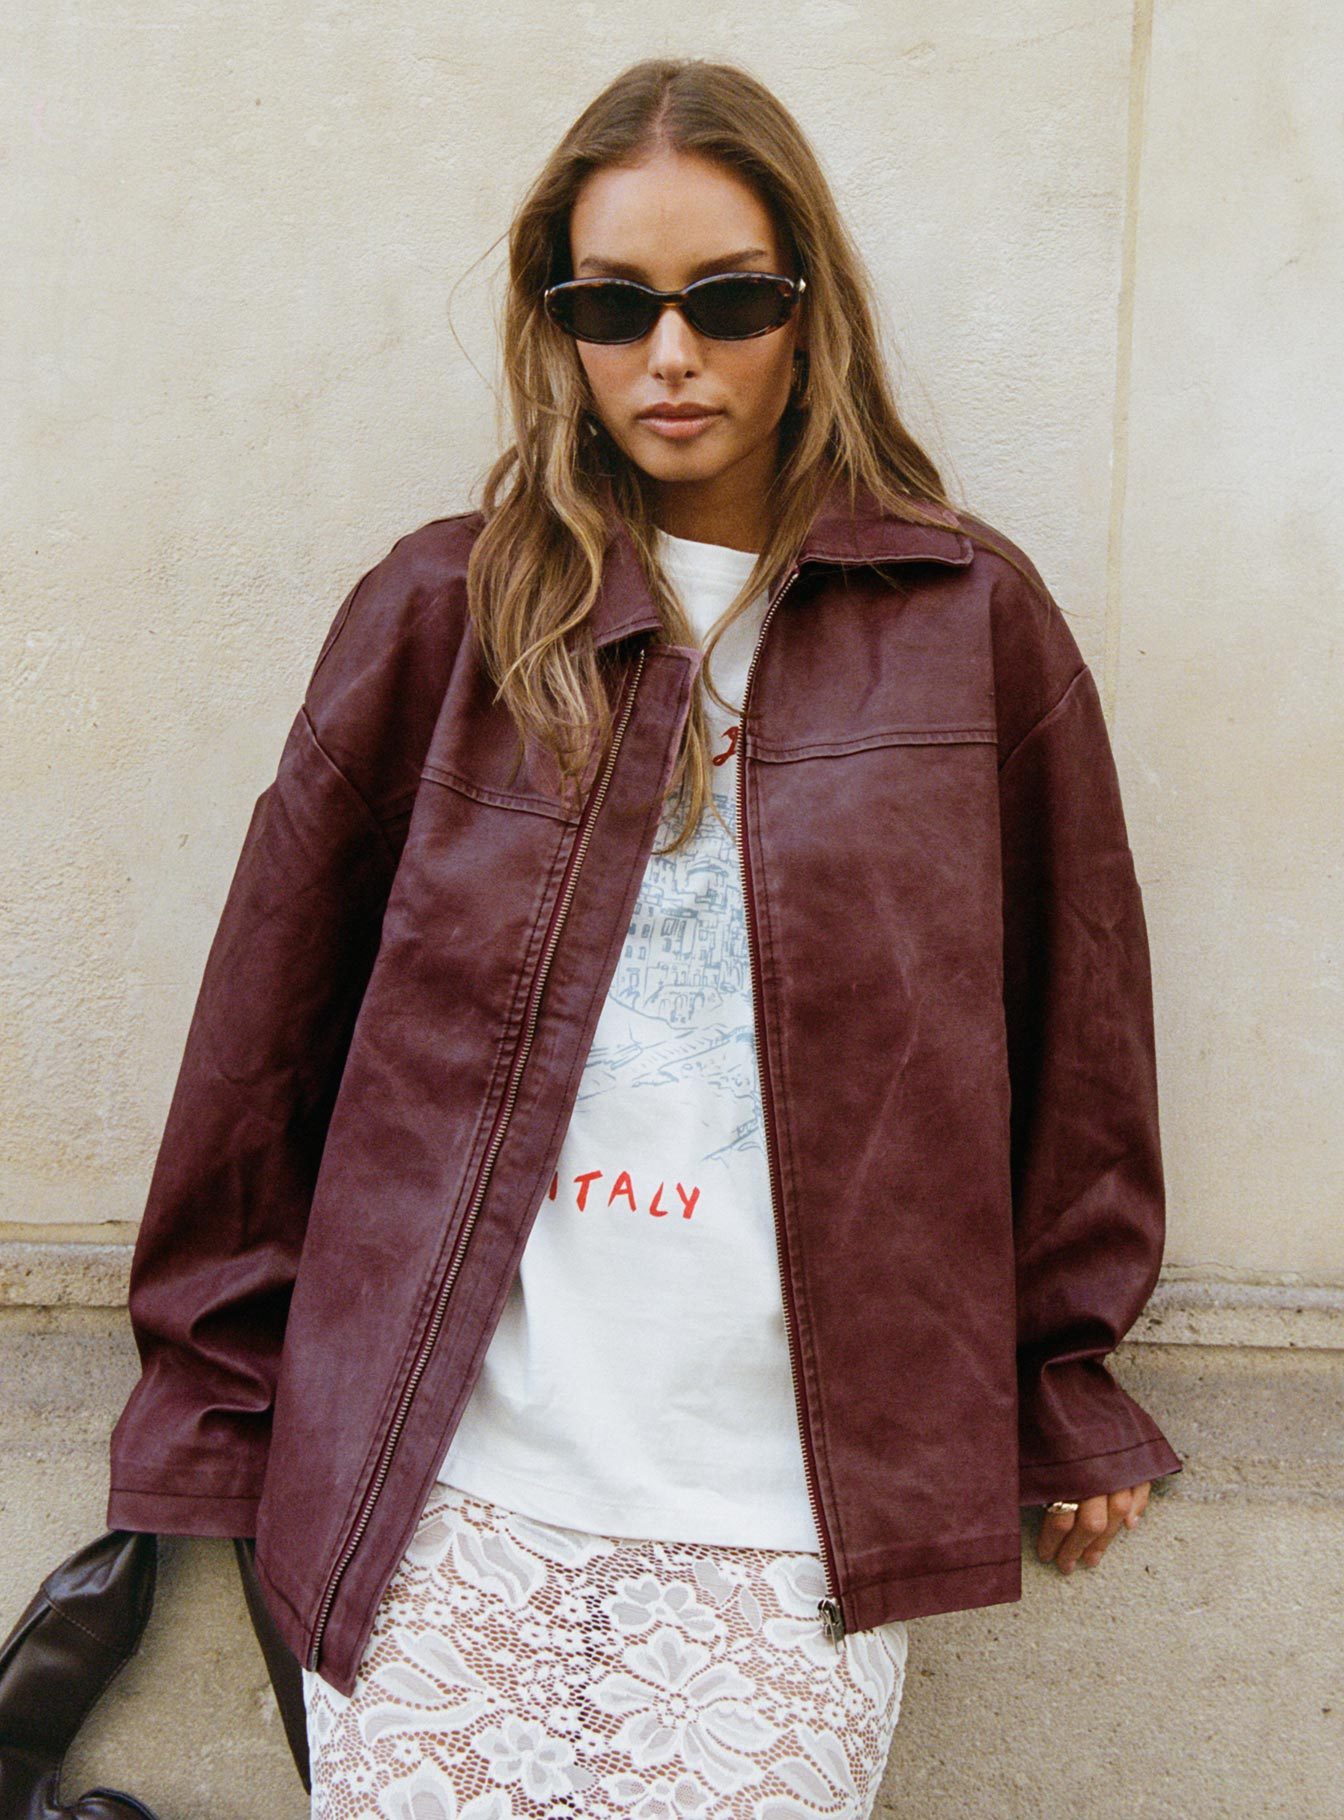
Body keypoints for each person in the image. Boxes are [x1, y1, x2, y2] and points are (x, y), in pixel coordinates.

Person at [105, 55, 1183, 1819]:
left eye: (728, 300)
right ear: (562, 326)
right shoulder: (445, 613)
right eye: (614, 305)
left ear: (809, 311)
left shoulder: (966, 621)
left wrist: (1062, 1378)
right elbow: (267, 1035)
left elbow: (1080, 1022)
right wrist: (214, 1413)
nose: (670, 353)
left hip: (789, 1511)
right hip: (444, 1495)